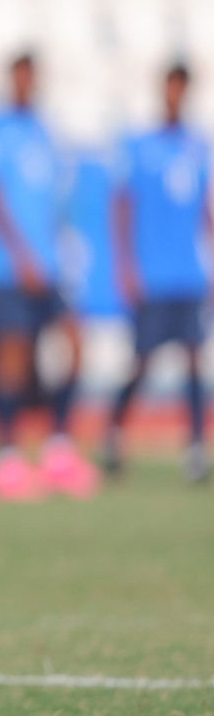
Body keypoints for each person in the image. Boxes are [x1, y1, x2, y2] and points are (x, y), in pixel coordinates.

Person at [0, 53, 97, 502]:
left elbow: (56, 205)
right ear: (11, 80)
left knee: (77, 345)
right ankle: (5, 458)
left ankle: (59, 447)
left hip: (50, 267)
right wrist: (20, 256)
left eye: (31, 77)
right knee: (14, 357)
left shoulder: (45, 133)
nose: (25, 84)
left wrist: (62, 252)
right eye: (19, 77)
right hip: (10, 268)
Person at [103, 64, 210, 483]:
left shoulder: (198, 146)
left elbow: (205, 212)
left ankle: (196, 447)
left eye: (181, 89)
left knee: (194, 361)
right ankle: (114, 433)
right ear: (161, 90)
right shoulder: (138, 146)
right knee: (142, 362)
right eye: (169, 88)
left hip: (188, 274)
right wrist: (125, 266)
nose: (174, 96)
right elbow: (121, 208)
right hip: (152, 274)